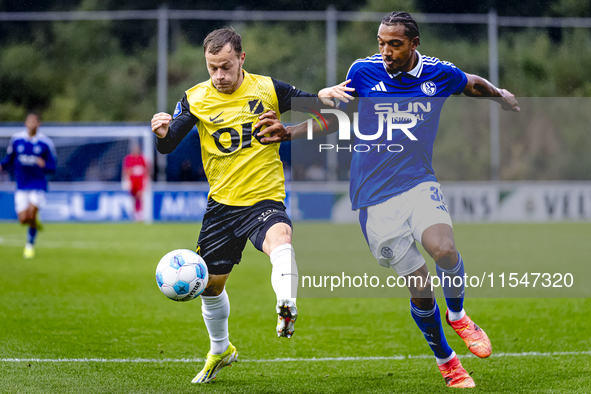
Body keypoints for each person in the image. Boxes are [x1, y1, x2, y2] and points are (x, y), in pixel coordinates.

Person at [272, 11, 520, 389]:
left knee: (445, 250)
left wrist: (500, 97)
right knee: (420, 289)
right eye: (381, 43)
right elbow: (338, 117)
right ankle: (447, 360)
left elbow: (470, 84)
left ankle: (458, 314)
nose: (386, 51)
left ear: (414, 44)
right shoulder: (363, 72)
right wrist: (289, 132)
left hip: (419, 182)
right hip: (372, 197)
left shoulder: (438, 74)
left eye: (395, 44)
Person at [150, 27, 351, 384]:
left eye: (226, 66)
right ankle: (221, 350)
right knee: (211, 286)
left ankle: (286, 304)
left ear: (241, 59)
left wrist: (299, 123)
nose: (219, 76)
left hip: (264, 197)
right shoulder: (195, 98)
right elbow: (169, 144)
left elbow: (331, 119)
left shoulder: (269, 89)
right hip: (221, 207)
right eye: (212, 68)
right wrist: (163, 133)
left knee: (281, 240)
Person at [0, 112, 57, 259]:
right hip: (21, 183)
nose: (31, 124)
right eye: (29, 121)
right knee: (23, 219)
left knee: (31, 214)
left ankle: (29, 245)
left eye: (34, 121)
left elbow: (53, 166)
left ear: (39, 124)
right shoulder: (17, 140)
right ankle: (35, 221)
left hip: (38, 184)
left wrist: (45, 165)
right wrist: (2, 166)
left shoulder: (45, 143)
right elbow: (9, 159)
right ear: (25, 123)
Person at [122, 142, 148, 221]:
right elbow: (126, 170)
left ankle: (140, 214)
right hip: (132, 181)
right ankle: (135, 214)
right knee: (133, 198)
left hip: (140, 181)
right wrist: (125, 180)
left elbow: (146, 169)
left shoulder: (142, 158)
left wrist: (146, 180)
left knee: (139, 196)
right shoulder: (128, 158)